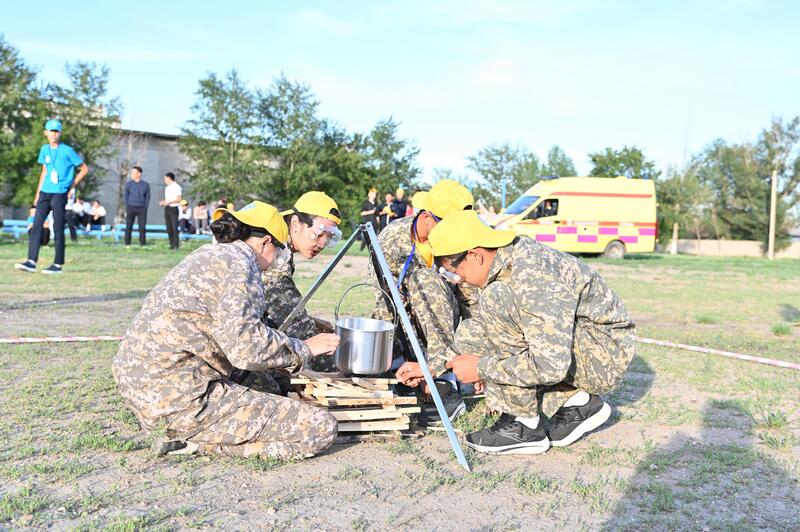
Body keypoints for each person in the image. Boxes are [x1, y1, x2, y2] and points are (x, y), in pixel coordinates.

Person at [112, 201, 341, 459]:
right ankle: (196, 442)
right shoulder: (242, 267)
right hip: (180, 400)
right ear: (265, 242)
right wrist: (305, 347)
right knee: (320, 427)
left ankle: (189, 430)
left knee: (269, 385)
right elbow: (246, 349)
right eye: (278, 251)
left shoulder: (210, 255)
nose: (275, 260)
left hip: (140, 386)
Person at [429, 209, 636, 455]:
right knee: (470, 334)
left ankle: (522, 425)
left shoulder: (531, 273)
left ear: (475, 255)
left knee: (496, 300)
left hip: (604, 357)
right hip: (584, 346)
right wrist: (434, 367)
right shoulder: (505, 262)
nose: (458, 280)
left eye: (453, 271)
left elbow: (550, 365)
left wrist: (482, 368)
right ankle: (577, 403)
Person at [369, 179, 475, 427]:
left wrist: (471, 356)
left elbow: (471, 298)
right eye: (448, 225)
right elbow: (384, 296)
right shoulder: (393, 238)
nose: (455, 232)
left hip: (448, 327)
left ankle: (445, 384)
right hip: (405, 322)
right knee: (384, 309)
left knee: (424, 279)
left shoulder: (460, 242)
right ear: (427, 217)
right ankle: (402, 373)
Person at [262, 192, 343, 373]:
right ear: (295, 224)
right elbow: (293, 322)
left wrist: (311, 320)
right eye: (318, 234)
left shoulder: (280, 242)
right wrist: (340, 367)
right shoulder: (276, 253)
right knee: (277, 384)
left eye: (329, 238)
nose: (321, 244)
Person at [14, 119, 88, 274]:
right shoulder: (44, 150)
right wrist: (37, 194)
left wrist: (71, 185)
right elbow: (44, 171)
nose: (54, 134)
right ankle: (31, 261)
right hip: (45, 193)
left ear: (60, 133)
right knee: (36, 225)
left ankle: (57, 264)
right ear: (45, 133)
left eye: (57, 131)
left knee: (57, 227)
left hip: (59, 193)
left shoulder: (67, 151)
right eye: (51, 131)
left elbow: (84, 169)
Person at [124, 165, 151, 247]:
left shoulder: (145, 185)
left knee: (142, 227)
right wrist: (128, 205)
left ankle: (142, 244)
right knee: (129, 226)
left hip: (142, 208)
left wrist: (145, 207)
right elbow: (126, 196)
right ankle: (127, 244)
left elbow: (148, 197)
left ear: (139, 174)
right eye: (132, 173)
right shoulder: (129, 184)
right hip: (131, 207)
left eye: (134, 173)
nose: (132, 174)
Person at [159, 172, 182, 249]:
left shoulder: (177, 187)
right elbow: (168, 199)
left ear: (169, 178)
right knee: (168, 227)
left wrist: (168, 202)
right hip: (167, 208)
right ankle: (171, 244)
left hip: (173, 209)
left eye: (165, 179)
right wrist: (164, 202)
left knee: (174, 227)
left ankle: (176, 244)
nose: (164, 180)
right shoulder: (167, 188)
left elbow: (179, 199)